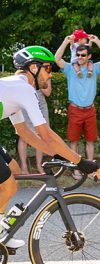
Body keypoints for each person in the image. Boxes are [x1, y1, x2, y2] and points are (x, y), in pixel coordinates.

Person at [0, 46, 98, 263]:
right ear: (34, 68)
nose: (50, 74)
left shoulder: (14, 88)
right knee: (8, 186)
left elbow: (24, 132)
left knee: (13, 169)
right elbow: (46, 134)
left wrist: (58, 154)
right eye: (48, 69)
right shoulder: (24, 89)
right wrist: (80, 162)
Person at [55, 34, 100, 179]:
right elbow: (56, 59)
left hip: (90, 110)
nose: (80, 57)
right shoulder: (70, 69)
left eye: (83, 55)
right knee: (73, 141)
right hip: (75, 110)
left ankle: (91, 170)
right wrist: (65, 41)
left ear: (89, 56)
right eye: (78, 54)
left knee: (90, 141)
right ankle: (75, 170)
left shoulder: (95, 69)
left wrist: (97, 41)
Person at [17, 76, 51, 174]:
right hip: (25, 102)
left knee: (41, 135)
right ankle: (24, 167)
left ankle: (39, 165)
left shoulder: (46, 74)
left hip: (40, 104)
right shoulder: (22, 73)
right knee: (24, 136)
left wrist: (40, 80)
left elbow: (47, 92)